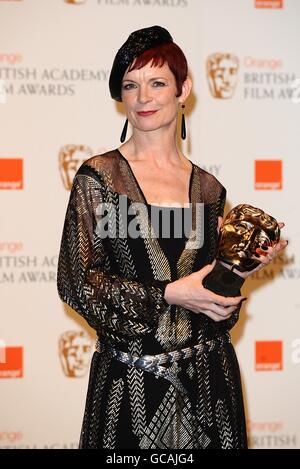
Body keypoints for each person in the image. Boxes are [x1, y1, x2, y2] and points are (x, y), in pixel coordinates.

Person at [57, 25, 287, 449]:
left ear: (184, 89)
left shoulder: (209, 190)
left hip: (210, 384)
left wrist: (235, 271)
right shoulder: (99, 179)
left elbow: (213, 306)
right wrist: (167, 293)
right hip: (129, 388)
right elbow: (76, 284)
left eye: (157, 82)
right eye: (131, 85)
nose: (143, 97)